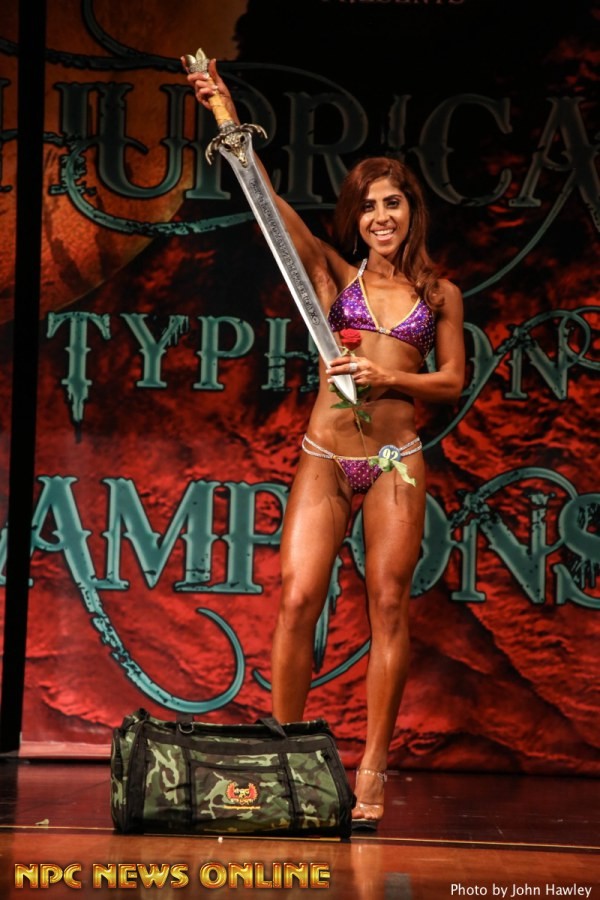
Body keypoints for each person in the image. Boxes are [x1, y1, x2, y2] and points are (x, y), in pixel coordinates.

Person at [185, 58, 465, 830]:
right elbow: (274, 213)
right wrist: (224, 113)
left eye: (392, 202)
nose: (381, 215)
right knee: (298, 598)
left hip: (394, 461)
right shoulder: (334, 279)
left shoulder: (439, 293)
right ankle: (285, 760)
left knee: (388, 605)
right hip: (324, 456)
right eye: (368, 206)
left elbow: (451, 381)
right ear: (356, 217)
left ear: (411, 210)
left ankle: (371, 768)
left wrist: (385, 375)